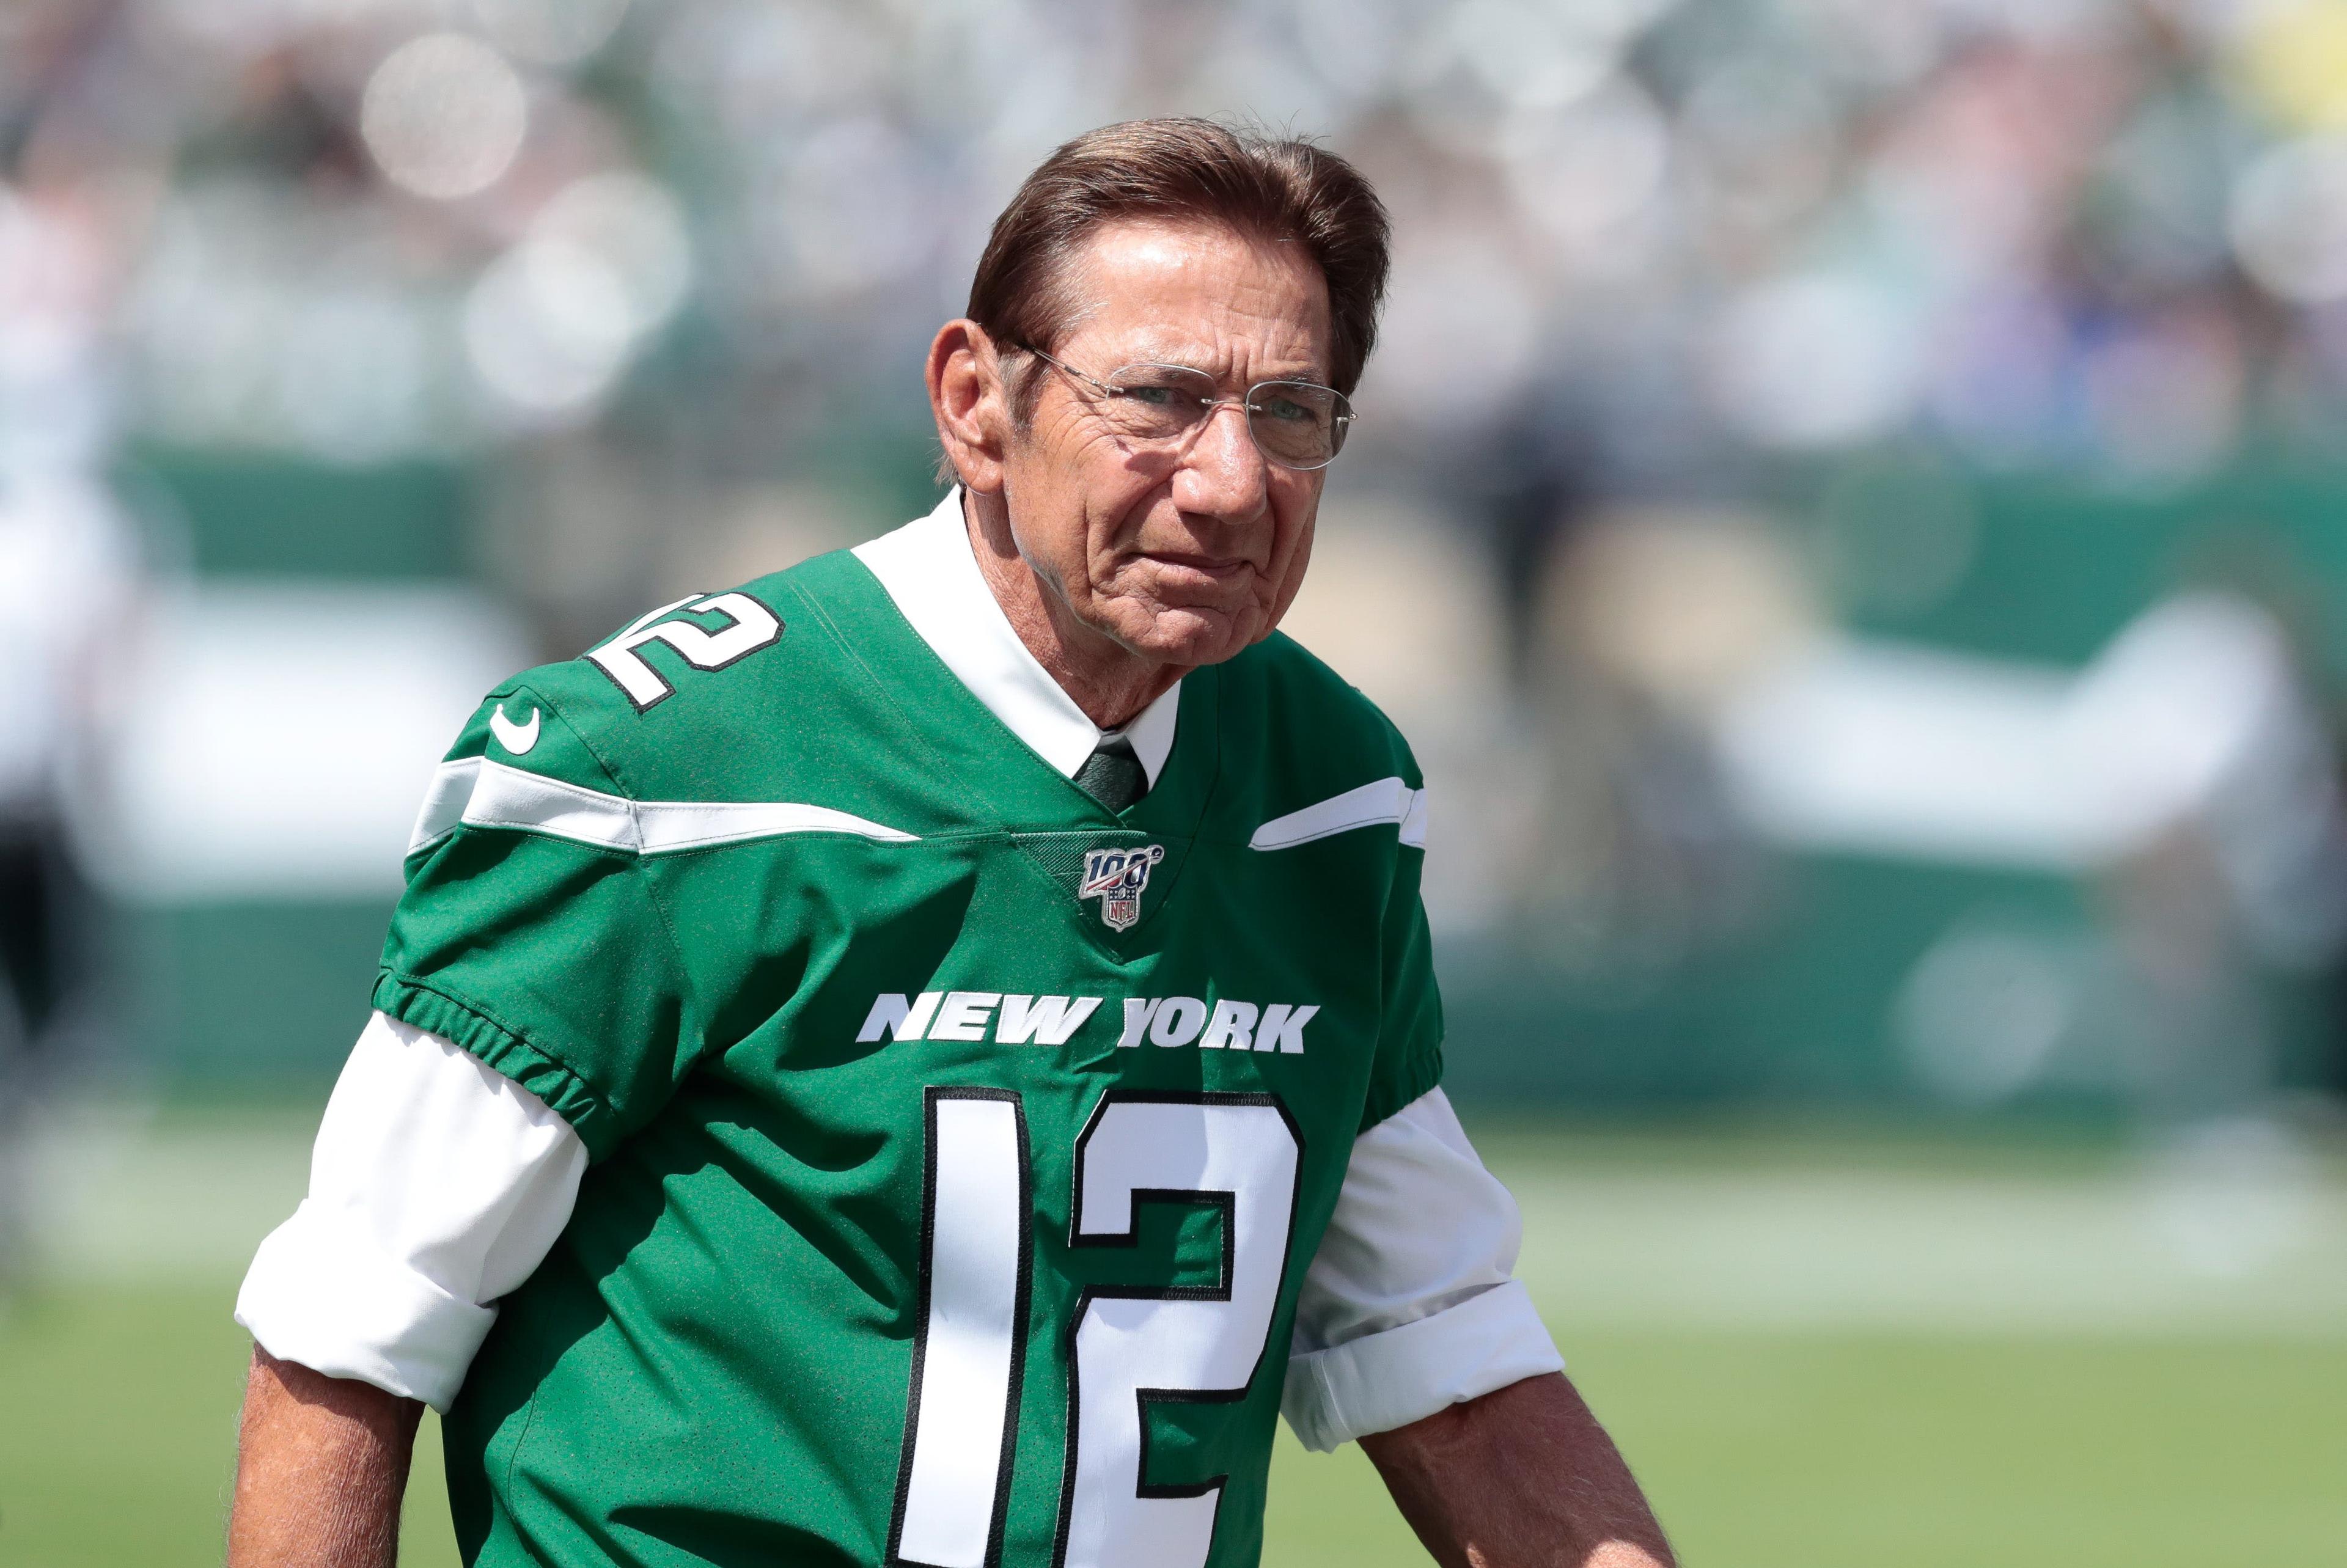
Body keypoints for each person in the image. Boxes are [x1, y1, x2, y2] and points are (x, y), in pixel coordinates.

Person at [227, 119, 1673, 1568]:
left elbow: (1443, 1349)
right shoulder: (659, 769)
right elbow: (351, 1331)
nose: (1233, 480)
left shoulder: (1330, 791)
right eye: (1159, 399)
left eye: (1293, 412)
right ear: (977, 404)